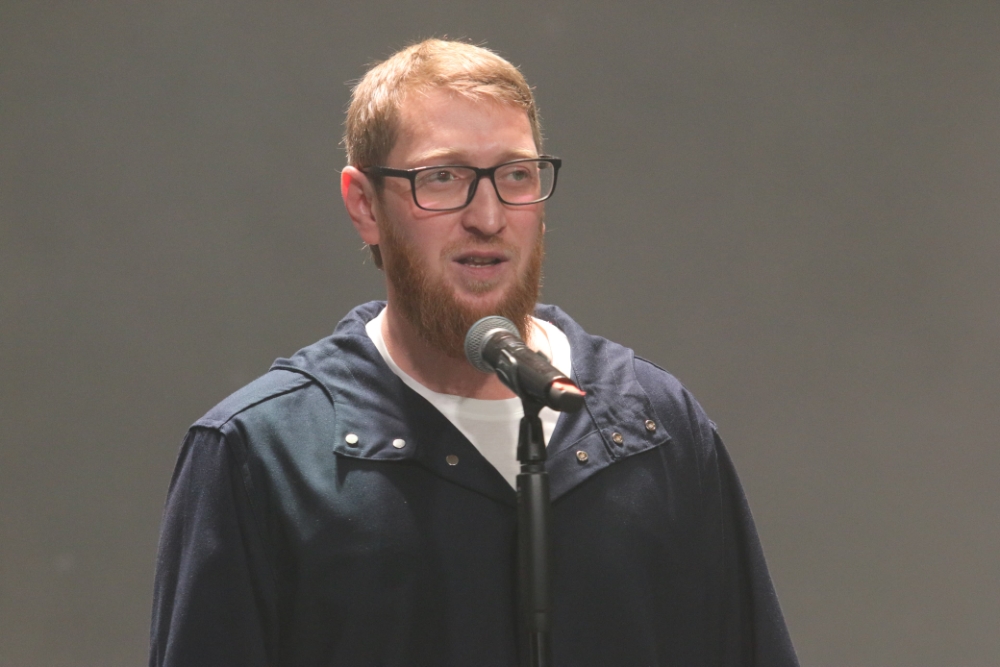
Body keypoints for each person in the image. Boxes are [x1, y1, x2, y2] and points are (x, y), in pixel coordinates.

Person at [149, 39, 799, 667]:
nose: (488, 216)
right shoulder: (260, 457)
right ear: (364, 205)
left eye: (516, 174)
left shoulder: (657, 430)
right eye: (443, 177)